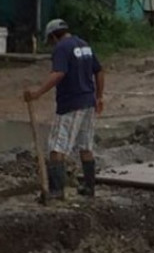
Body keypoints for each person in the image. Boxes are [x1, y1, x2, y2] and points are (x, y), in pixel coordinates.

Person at [24, 18, 105, 199]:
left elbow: (58, 74)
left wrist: (37, 93)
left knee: (56, 147)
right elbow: (99, 71)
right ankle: (89, 188)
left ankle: (56, 191)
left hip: (71, 104)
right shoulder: (84, 45)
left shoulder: (61, 48)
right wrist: (99, 96)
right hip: (88, 102)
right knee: (85, 146)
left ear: (53, 37)